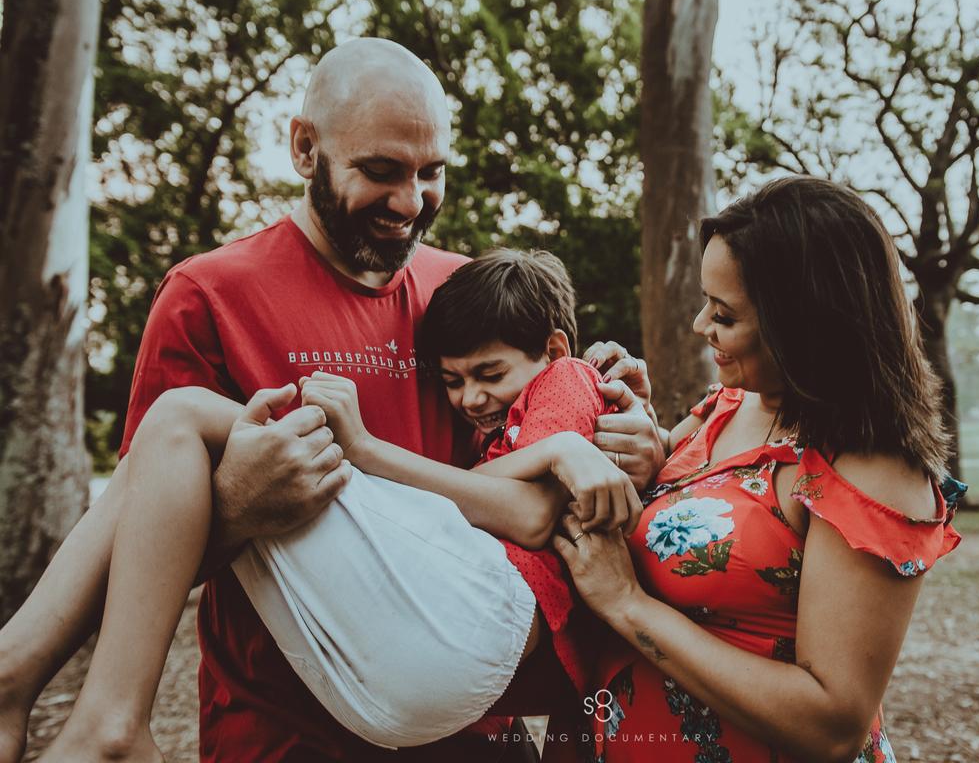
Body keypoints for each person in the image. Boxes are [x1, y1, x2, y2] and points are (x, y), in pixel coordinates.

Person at [0, 37, 664, 763]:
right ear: (305, 147)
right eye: (381, 172)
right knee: (180, 426)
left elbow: (544, 436)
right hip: (285, 736)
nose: (411, 203)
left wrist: (632, 433)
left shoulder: (463, 295)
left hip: (468, 729)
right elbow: (138, 557)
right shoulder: (207, 296)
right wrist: (238, 509)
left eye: (431, 173)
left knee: (184, 421)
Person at [0, 247, 638, 762]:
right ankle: (20, 680)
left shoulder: (569, 377)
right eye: (451, 382)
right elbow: (524, 492)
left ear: (551, 349)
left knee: (180, 418)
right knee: (168, 446)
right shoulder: (208, 288)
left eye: (488, 375)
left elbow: (530, 513)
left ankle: (91, 715)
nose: (469, 399)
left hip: (482, 628)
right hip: (413, 678)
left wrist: (360, 448)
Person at [552, 177, 965, 763]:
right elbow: (691, 513)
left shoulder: (871, 468)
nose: (700, 325)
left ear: (805, 325)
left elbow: (832, 723)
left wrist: (626, 605)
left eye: (723, 313)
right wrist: (645, 448)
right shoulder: (729, 406)